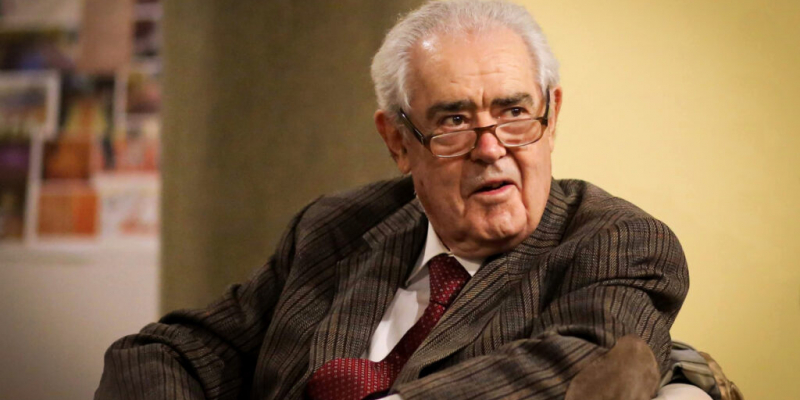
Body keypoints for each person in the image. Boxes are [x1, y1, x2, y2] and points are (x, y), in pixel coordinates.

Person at [96, 1, 689, 399]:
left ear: (551, 116)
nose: (490, 148)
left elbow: (594, 363)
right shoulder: (337, 228)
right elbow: (167, 352)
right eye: (454, 121)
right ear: (398, 142)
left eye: (513, 112)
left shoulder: (614, 242)